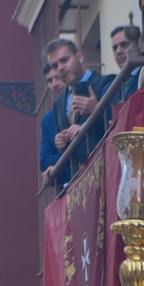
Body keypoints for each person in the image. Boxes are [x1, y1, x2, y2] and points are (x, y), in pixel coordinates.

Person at [39, 38, 104, 187]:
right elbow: (69, 153)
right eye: (54, 66)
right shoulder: (58, 104)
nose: (60, 68)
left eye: (64, 60)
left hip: (108, 171)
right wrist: (62, 146)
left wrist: (96, 111)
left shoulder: (106, 83)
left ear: (79, 57)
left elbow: (120, 122)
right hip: (80, 186)